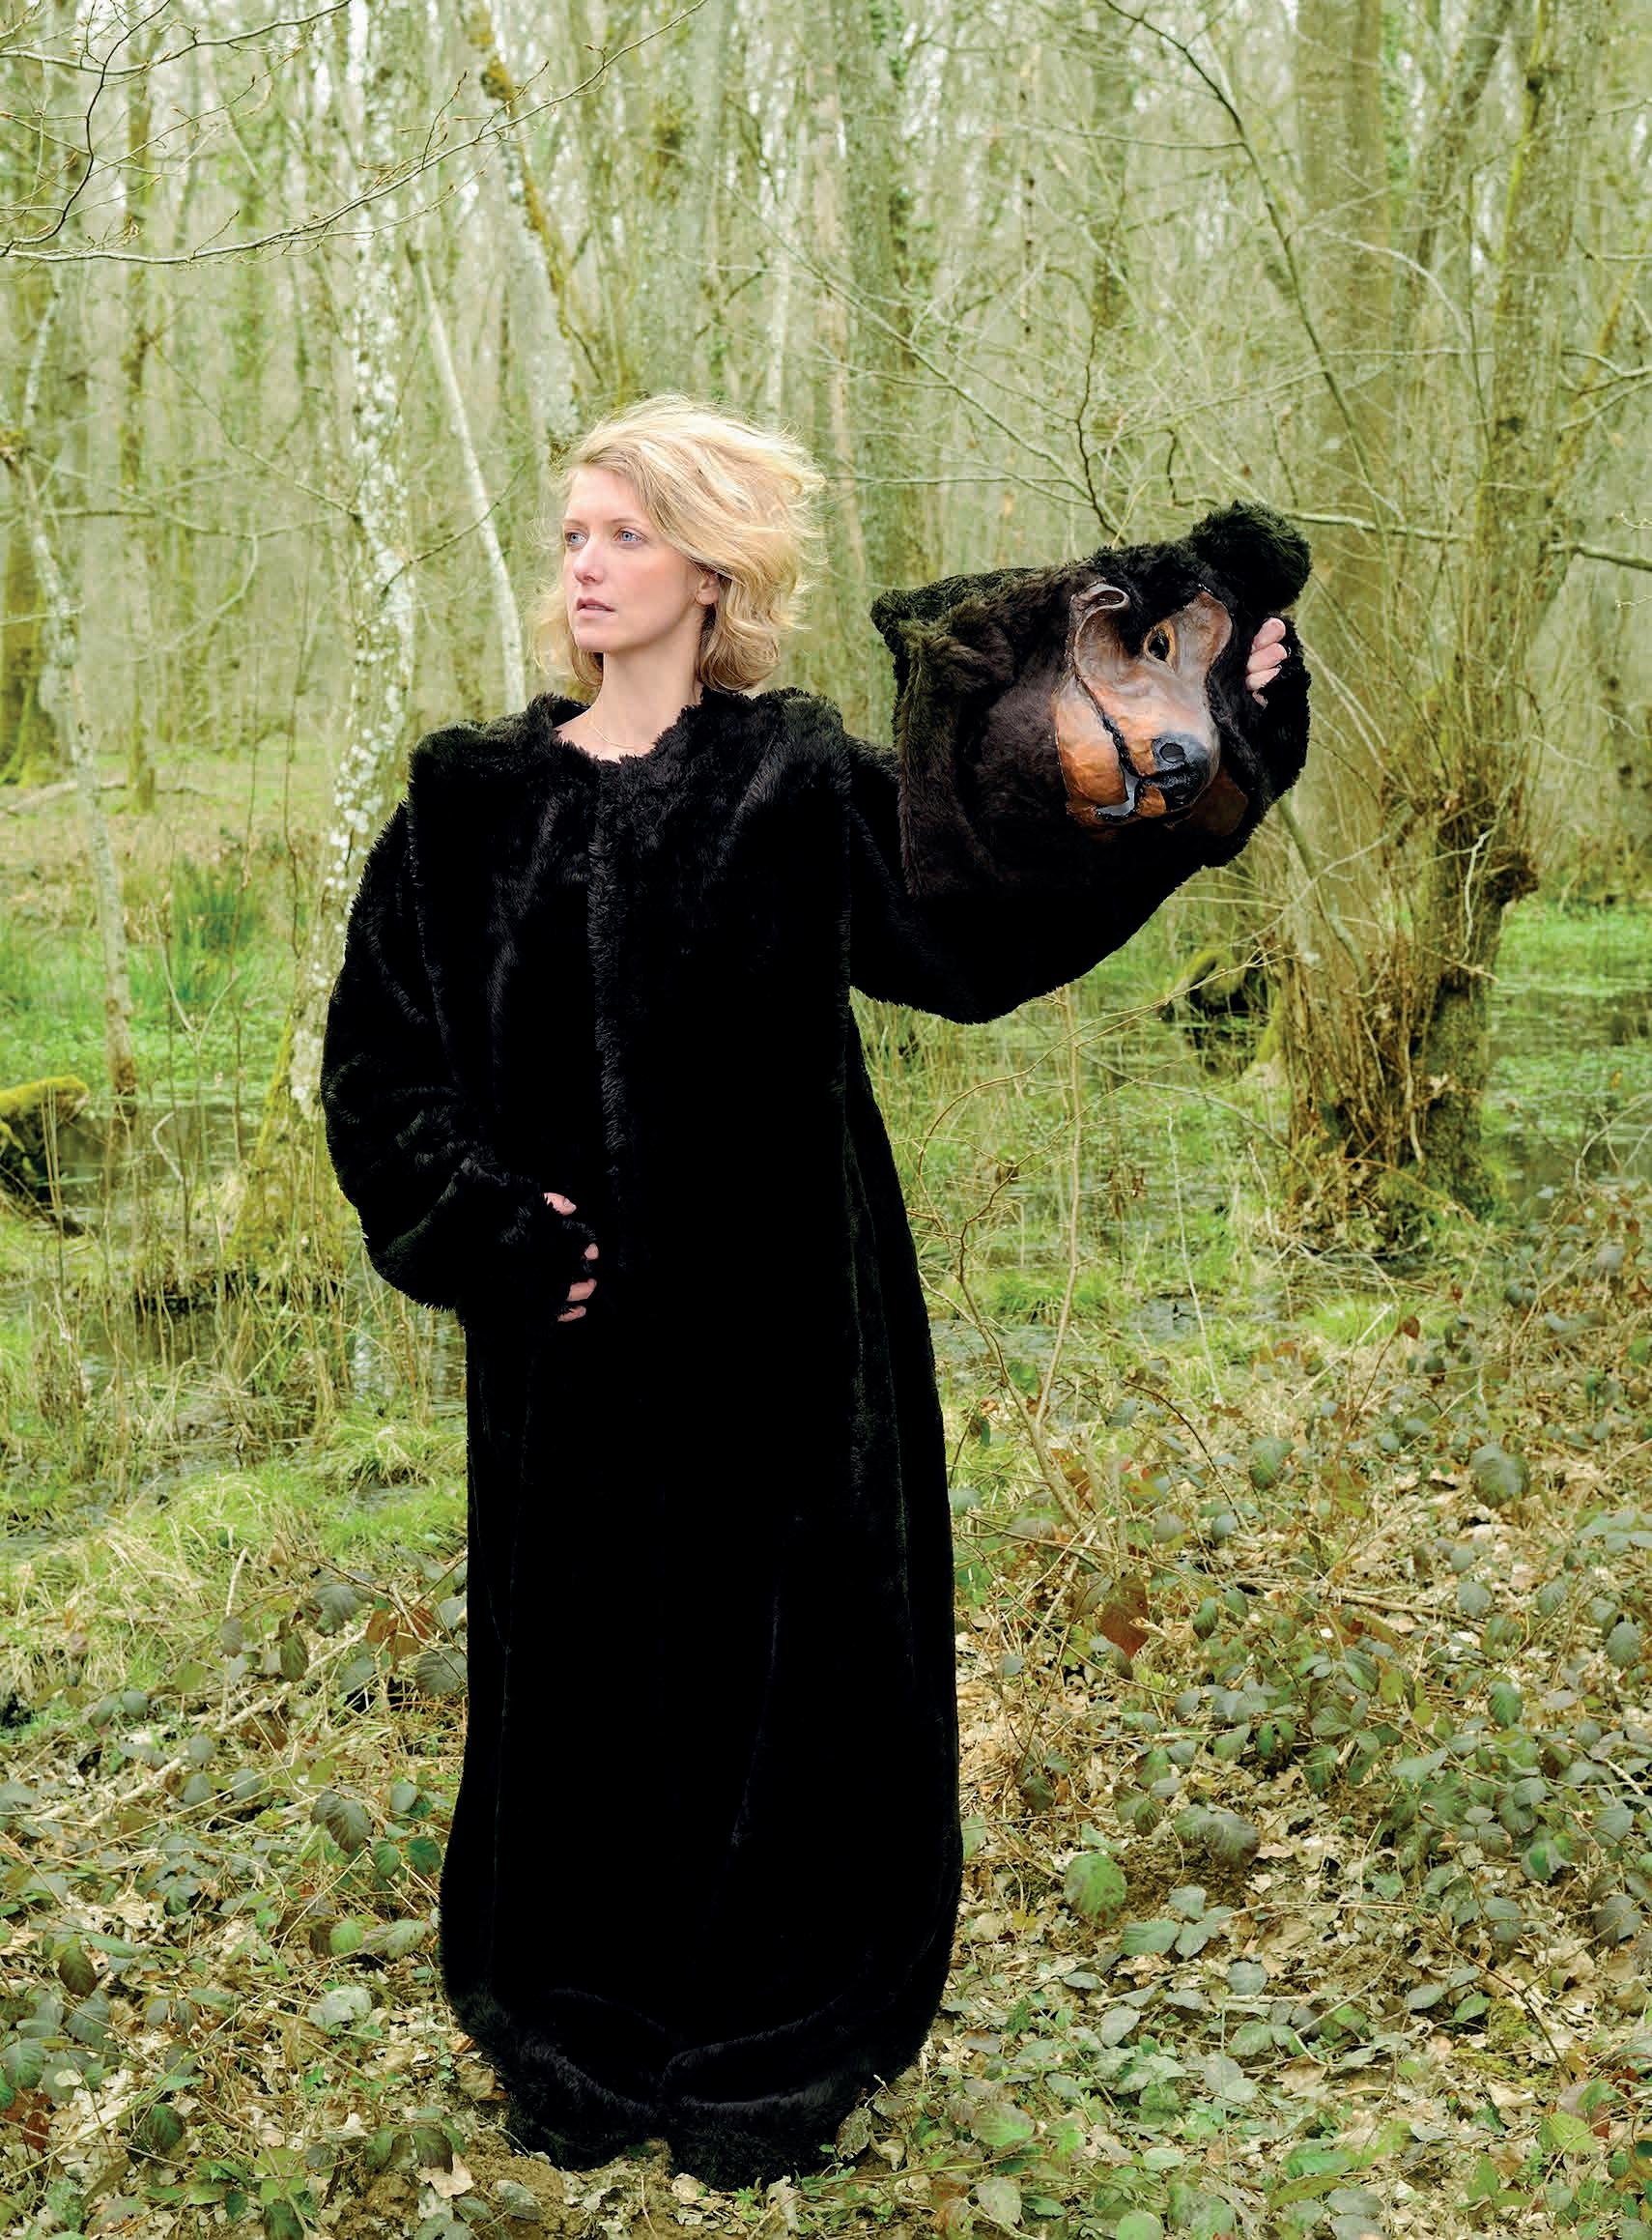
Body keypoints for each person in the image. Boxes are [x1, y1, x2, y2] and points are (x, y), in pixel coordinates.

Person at [317, 394, 1299, 2194]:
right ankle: (582, 2021)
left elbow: (976, 925)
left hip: (789, 1338)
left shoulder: (791, 782)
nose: (586, 565)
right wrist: (492, 1231)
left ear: (710, 569)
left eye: (625, 533)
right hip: (566, 1357)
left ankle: (776, 2031)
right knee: (583, 1684)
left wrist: (1203, 735)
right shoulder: (468, 807)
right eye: (573, 533)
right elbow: (380, 1071)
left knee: (792, 1684)